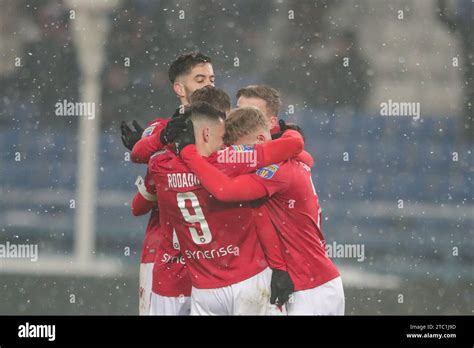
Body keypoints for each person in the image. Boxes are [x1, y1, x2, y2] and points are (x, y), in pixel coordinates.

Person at [177, 106, 345, 315]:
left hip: (310, 288)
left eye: (243, 153)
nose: (242, 161)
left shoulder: (275, 172)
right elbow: (302, 153)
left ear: (259, 140)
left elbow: (224, 190)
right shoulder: (290, 159)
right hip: (315, 280)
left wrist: (189, 153)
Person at [148, 102, 305, 315]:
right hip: (248, 280)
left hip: (205, 290)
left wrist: (163, 138)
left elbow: (139, 156)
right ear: (206, 134)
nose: (226, 144)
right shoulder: (230, 159)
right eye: (223, 137)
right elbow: (296, 149)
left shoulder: (160, 165)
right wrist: (288, 133)